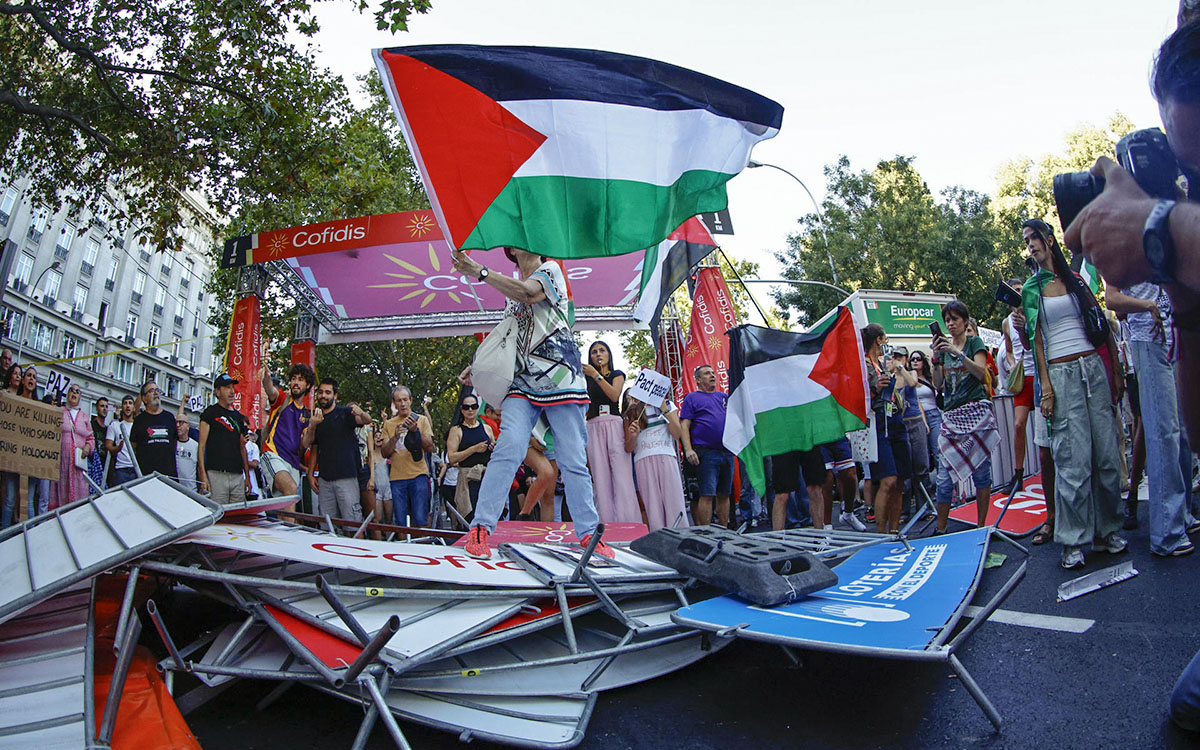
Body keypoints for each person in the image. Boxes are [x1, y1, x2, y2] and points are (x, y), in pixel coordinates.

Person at [450, 246, 611, 560]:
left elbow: (528, 293)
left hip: (561, 377)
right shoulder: (511, 290)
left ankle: (589, 533)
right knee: (507, 449)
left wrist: (478, 271)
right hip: (522, 380)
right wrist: (480, 366)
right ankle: (481, 527)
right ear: (511, 248)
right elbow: (509, 334)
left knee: (572, 458)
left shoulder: (550, 270)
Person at [1021, 220, 1125, 568]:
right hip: (1061, 374)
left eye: (1034, 238)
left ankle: (1108, 530)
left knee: (1107, 456)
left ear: (1049, 239)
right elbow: (1036, 340)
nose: (1030, 245)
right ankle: (1073, 540)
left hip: (1092, 369)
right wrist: (1046, 387)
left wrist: (1117, 373)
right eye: (1026, 241)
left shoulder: (1076, 280)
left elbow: (1100, 324)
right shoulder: (1032, 288)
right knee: (1072, 460)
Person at [1106, 281, 1194, 555]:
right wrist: (1148, 305)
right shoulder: (1123, 245)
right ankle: (1167, 533)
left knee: (1183, 430)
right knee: (1163, 431)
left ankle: (1182, 517)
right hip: (1149, 341)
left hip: (1177, 339)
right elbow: (1112, 300)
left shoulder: (1166, 241)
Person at [930, 301, 998, 534]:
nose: (950, 324)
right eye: (947, 320)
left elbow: (981, 373)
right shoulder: (944, 349)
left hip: (975, 413)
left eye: (954, 319)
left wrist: (958, 354)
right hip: (951, 416)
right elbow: (938, 384)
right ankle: (941, 529)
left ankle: (981, 527)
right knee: (944, 478)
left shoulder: (973, 343)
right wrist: (936, 357)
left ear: (965, 322)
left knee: (981, 471)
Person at [583, 340, 639, 523]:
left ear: (609, 354)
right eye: (594, 352)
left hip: (614, 425)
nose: (598, 354)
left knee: (621, 475)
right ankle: (604, 524)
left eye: (602, 350)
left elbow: (615, 395)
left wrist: (596, 375)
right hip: (592, 426)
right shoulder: (585, 379)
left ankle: (628, 522)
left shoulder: (617, 374)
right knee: (600, 478)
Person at [301, 378, 372, 522]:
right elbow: (311, 445)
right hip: (325, 479)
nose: (324, 396)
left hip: (347, 477)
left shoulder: (345, 413)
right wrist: (310, 474)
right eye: (320, 392)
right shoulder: (316, 417)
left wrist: (361, 412)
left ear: (335, 396)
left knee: (352, 523)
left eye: (328, 392)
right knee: (327, 525)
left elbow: (366, 420)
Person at [623, 391, 688, 532]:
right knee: (653, 506)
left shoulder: (668, 405)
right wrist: (633, 436)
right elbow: (628, 448)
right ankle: (658, 538)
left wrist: (664, 408)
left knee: (674, 501)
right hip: (643, 460)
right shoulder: (632, 412)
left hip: (666, 456)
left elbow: (677, 434)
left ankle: (680, 535)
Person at [861, 325, 905, 533]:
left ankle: (895, 532)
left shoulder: (882, 363)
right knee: (887, 480)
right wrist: (874, 388)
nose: (886, 342)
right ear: (878, 339)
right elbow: (858, 396)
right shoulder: (862, 364)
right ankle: (880, 534)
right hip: (878, 422)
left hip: (895, 419)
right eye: (884, 338)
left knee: (899, 482)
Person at [679, 364, 733, 527]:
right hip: (706, 453)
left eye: (713, 373)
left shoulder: (724, 397)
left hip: (727, 451)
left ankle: (724, 531)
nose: (712, 376)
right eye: (707, 374)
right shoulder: (692, 398)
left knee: (724, 494)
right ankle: (706, 533)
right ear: (698, 380)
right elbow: (684, 425)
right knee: (707, 494)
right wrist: (688, 449)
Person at [379, 385, 434, 527]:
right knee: (401, 521)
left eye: (405, 400)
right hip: (397, 478)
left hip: (418, 474)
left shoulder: (421, 420)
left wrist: (416, 431)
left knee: (421, 518)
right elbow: (384, 453)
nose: (402, 404)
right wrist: (395, 437)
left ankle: (422, 548)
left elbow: (430, 447)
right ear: (394, 403)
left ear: (411, 400)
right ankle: (404, 547)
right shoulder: (389, 424)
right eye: (398, 401)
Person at [260, 363, 315, 500]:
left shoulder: (307, 413)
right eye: (293, 378)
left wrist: (313, 425)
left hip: (293, 463)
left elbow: (306, 443)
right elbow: (270, 390)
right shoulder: (282, 398)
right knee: (290, 489)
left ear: (307, 385)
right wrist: (266, 378)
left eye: (300, 379)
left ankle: (286, 522)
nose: (296, 383)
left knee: (287, 506)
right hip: (273, 454)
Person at [1002, 280, 1036, 493]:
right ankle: (1018, 473)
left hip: (1039, 374)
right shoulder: (1006, 323)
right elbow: (1008, 349)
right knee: (1018, 425)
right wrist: (1013, 365)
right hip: (1022, 378)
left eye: (1020, 290)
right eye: (1013, 291)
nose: (1017, 294)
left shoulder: (1033, 312)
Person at [198, 374, 252, 505]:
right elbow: (201, 446)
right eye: (227, 388)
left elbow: (242, 448)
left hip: (237, 476)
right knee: (219, 515)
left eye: (233, 388)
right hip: (216, 474)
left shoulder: (238, 416)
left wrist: (247, 477)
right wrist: (203, 475)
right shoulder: (209, 413)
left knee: (237, 516)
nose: (232, 391)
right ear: (217, 391)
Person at [445, 391, 495, 521]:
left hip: (487, 477)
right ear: (462, 410)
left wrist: (493, 448)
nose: (470, 410)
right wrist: (473, 449)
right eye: (466, 407)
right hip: (468, 479)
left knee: (490, 516)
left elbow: (495, 451)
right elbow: (452, 458)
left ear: (478, 408)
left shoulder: (487, 428)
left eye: (473, 406)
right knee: (471, 518)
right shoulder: (456, 430)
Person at [51, 385, 95, 509]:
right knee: (60, 497)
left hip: (78, 466)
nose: (74, 393)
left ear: (80, 396)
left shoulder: (85, 417)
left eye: (77, 391)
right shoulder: (59, 412)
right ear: (67, 394)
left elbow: (91, 439)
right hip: (61, 464)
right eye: (72, 390)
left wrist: (87, 447)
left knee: (78, 503)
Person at [131, 379, 177, 478]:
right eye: (151, 391)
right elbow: (134, 446)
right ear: (144, 398)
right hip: (146, 476)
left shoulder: (169, 417)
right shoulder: (139, 420)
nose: (156, 393)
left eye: (157, 390)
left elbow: (174, 443)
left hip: (168, 475)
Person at [105, 395, 138, 485]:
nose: (128, 406)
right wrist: (118, 448)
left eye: (130, 403)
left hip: (136, 469)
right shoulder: (115, 425)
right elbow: (108, 446)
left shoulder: (138, 425)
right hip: (121, 469)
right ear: (122, 407)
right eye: (125, 403)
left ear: (134, 407)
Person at [175, 410, 199, 491]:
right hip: (174, 488)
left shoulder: (195, 446)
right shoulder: (171, 444)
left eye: (181, 422)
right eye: (176, 422)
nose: (178, 425)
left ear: (188, 426)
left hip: (191, 490)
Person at [88, 397, 108, 491]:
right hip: (93, 465)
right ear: (97, 408)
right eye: (102, 406)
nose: (104, 409)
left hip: (105, 466)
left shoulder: (108, 429)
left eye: (106, 406)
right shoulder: (91, 425)